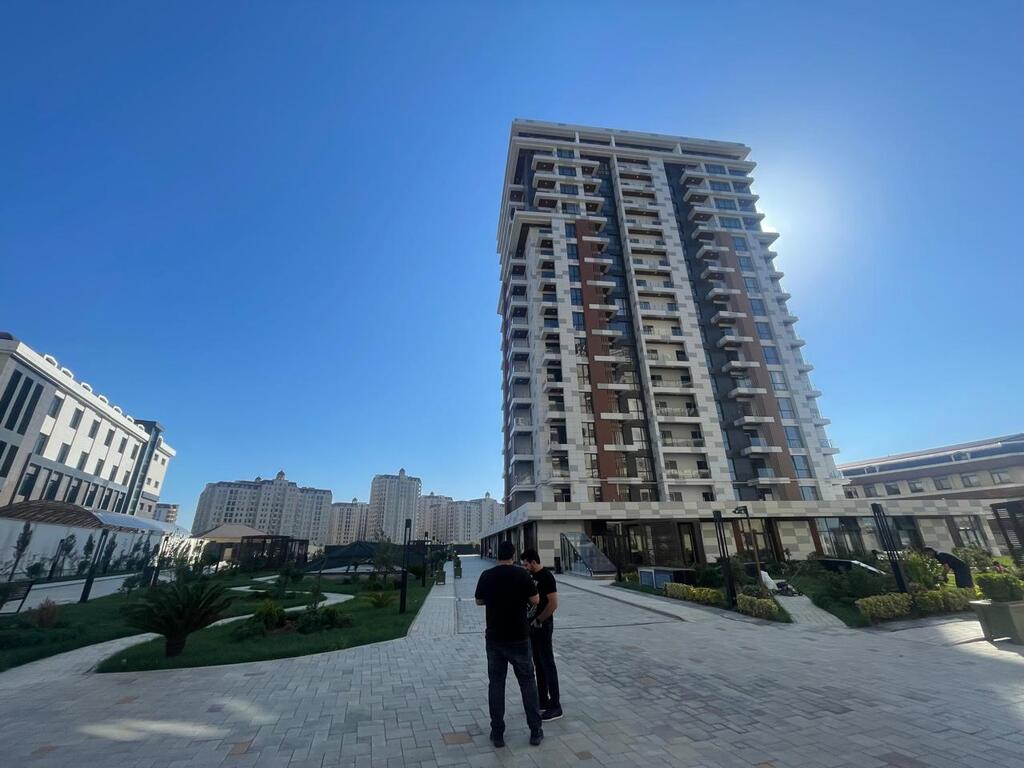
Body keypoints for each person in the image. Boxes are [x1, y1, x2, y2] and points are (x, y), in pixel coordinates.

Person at [474, 540, 544, 748]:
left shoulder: (487, 575)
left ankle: (497, 733)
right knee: (527, 683)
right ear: (513, 555)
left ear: (497, 555)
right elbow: (536, 600)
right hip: (519, 637)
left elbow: (478, 600)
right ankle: (535, 730)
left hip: (495, 638)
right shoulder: (522, 575)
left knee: (496, 684)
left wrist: (494, 600)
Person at [520, 548, 562, 722]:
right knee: (538, 663)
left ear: (533, 562)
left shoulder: (546, 577)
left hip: (543, 626)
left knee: (548, 663)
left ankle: (556, 705)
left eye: (526, 564)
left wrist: (539, 620)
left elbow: (553, 604)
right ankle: (543, 699)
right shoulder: (531, 577)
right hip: (532, 627)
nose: (524, 567)